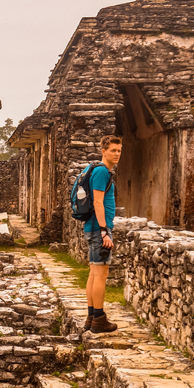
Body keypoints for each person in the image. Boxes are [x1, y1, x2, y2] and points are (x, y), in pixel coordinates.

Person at [84, 135, 122, 333]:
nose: (117, 154)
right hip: (99, 229)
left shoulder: (101, 171)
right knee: (100, 275)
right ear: (103, 151)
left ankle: (91, 317)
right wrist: (104, 231)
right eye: (113, 150)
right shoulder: (101, 172)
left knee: (94, 273)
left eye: (119, 151)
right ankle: (98, 318)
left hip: (95, 228)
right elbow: (97, 202)